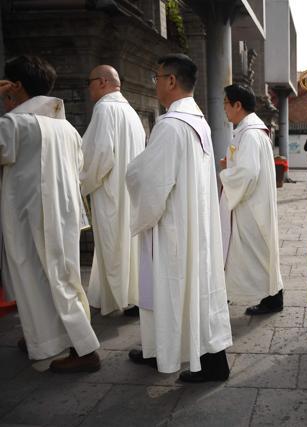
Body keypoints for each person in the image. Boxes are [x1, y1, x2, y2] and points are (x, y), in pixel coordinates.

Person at [126, 53, 232, 382]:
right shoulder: (198, 121)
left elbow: (151, 180)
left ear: (171, 80)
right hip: (193, 222)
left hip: (173, 226)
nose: (154, 84)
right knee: (195, 290)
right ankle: (159, 348)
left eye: (156, 77)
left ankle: (194, 358)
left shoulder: (171, 125)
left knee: (172, 288)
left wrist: (132, 171)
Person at [0, 55, 100, 372]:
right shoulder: (66, 127)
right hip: (62, 214)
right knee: (56, 278)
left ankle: (85, 350)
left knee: (49, 279)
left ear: (14, 86)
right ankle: (42, 338)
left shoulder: (14, 124)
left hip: (30, 216)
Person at [81, 65, 145, 316]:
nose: (88, 87)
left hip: (110, 191)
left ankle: (119, 299)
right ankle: (132, 297)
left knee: (112, 246)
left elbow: (99, 155)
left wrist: (81, 182)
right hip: (130, 192)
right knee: (128, 248)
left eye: (90, 81)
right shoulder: (130, 111)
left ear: (104, 82)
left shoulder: (105, 109)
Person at [220, 83, 284, 315]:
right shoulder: (253, 131)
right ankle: (273, 296)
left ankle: (272, 297)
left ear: (238, 105)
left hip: (250, 204)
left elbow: (247, 172)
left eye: (226, 103)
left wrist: (226, 174)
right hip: (254, 201)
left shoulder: (250, 134)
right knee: (260, 252)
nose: (224, 108)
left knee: (255, 253)